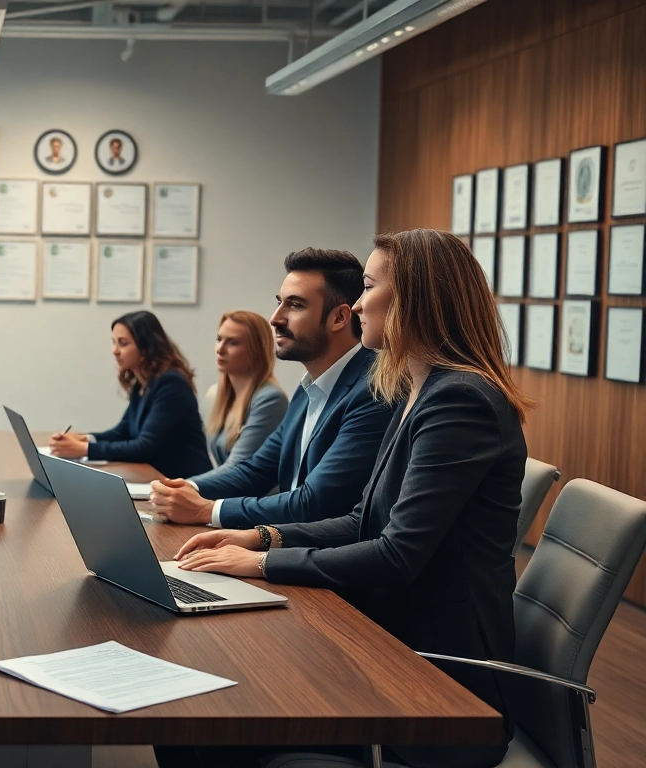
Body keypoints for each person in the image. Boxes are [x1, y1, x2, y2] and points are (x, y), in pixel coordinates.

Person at [162, 229, 530, 768]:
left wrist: (260, 563)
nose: (357, 305)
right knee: (198, 709)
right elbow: (363, 521)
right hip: (390, 644)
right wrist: (259, 536)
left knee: (207, 720)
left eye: (369, 287)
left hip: (438, 689)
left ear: (414, 300)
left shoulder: (460, 401)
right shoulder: (419, 390)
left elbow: (397, 554)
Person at [149, 248, 391, 529]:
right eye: (279, 303)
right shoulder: (308, 389)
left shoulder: (373, 390)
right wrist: (182, 489)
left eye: (295, 305)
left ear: (339, 318)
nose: (275, 318)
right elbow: (255, 471)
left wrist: (207, 511)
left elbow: (316, 502)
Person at [49, 311, 212, 479]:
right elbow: (123, 431)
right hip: (158, 477)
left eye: (123, 343)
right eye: (114, 342)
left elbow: (144, 447)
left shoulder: (171, 383)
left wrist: (85, 449)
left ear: (146, 346)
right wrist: (85, 439)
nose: (115, 351)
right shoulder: (142, 383)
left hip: (187, 483)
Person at [200, 310, 287, 472]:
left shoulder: (270, 399)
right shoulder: (217, 394)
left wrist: (187, 484)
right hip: (226, 486)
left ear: (256, 350)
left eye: (233, 342)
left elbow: (238, 468)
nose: (220, 349)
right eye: (219, 339)